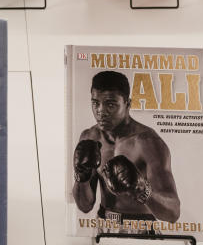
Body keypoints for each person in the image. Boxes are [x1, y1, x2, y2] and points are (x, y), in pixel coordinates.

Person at [71, 71, 180, 226]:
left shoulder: (148, 143)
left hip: (141, 228)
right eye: (95, 103)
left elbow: (173, 213)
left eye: (110, 104)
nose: (101, 111)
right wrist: (81, 177)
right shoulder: (89, 137)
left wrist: (142, 190)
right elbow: (85, 206)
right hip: (104, 225)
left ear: (128, 104)